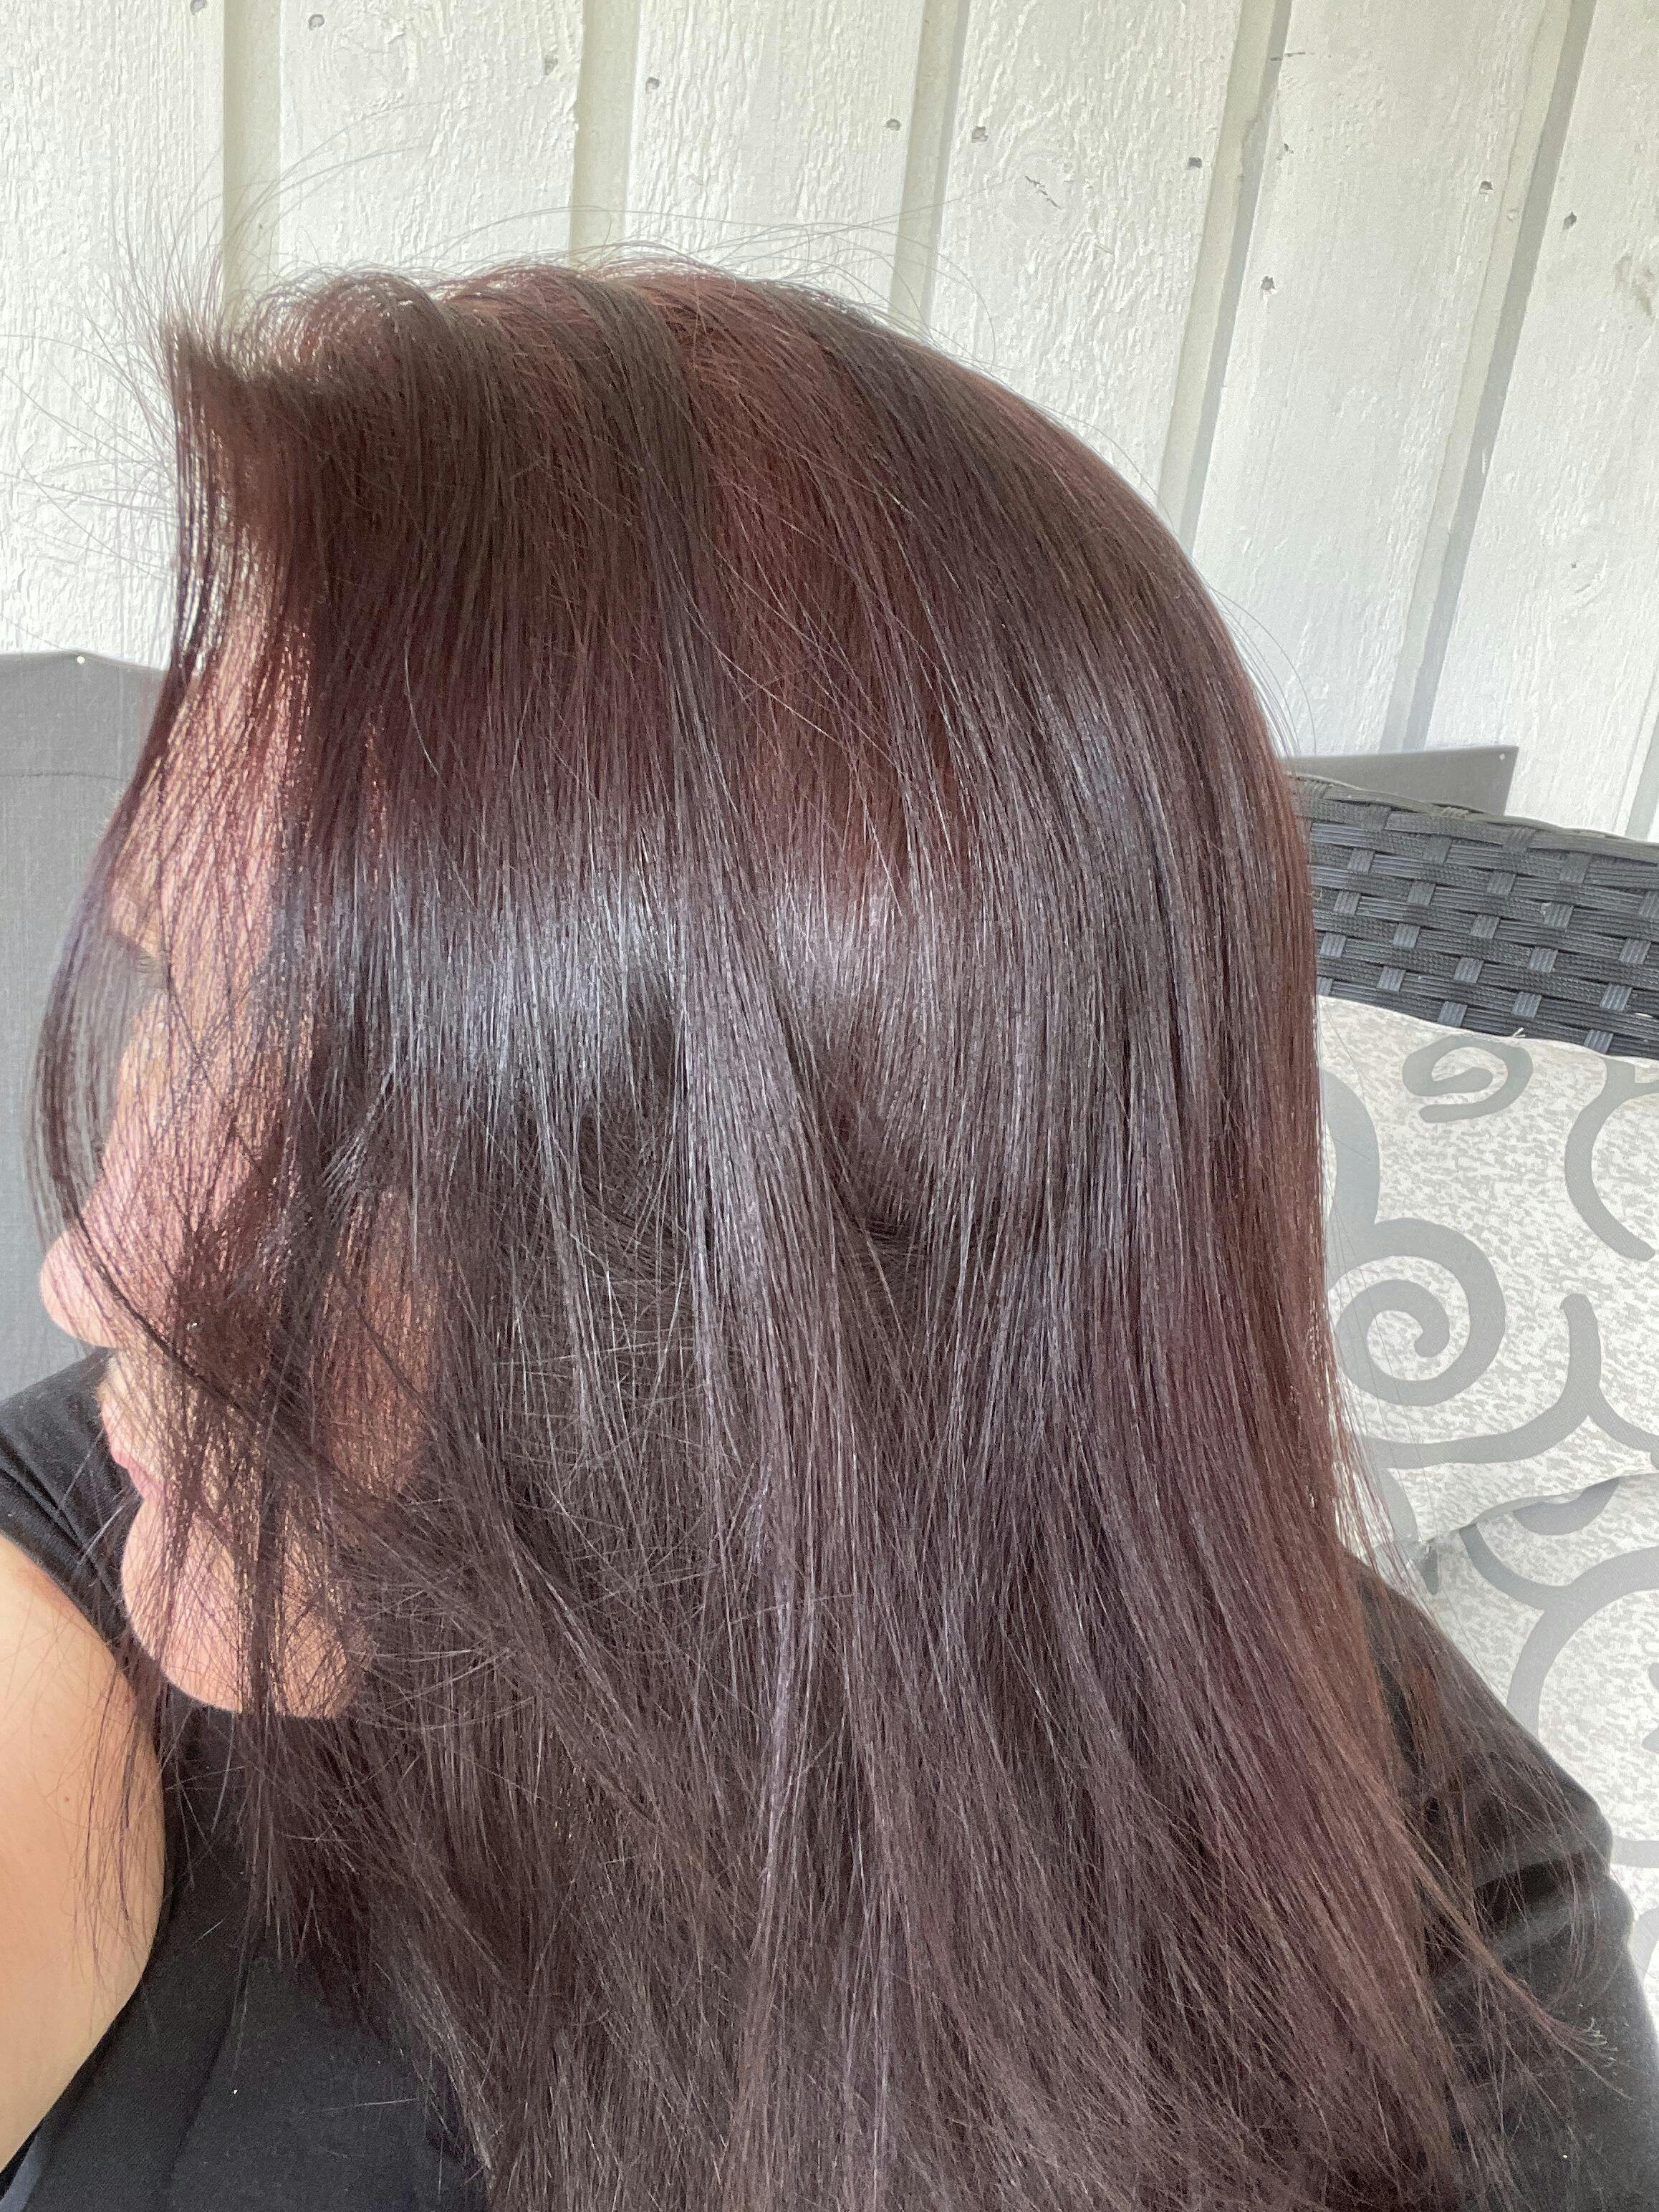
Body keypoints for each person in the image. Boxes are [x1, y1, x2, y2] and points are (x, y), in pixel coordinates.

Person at [1, 252, 1655, 2212]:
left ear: (886, 1249)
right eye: (171, 996)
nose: (95, 1273)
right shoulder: (93, 1537)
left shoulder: (1426, 1922)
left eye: (395, 1141)